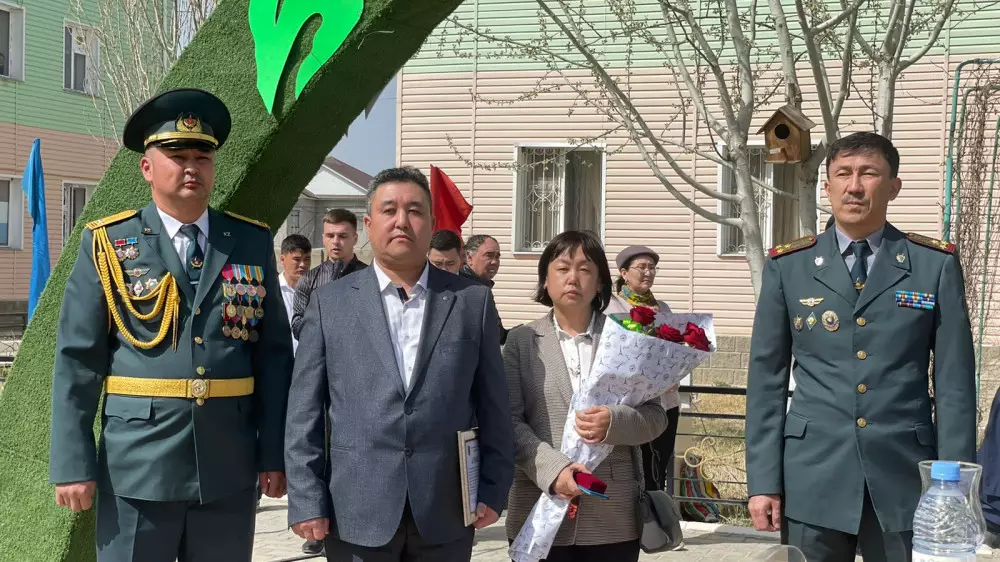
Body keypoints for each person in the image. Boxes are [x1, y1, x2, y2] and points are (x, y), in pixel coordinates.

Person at [48, 88, 293, 561]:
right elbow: (78, 360)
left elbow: (274, 358)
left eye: (202, 157)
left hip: (228, 464)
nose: (191, 167)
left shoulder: (249, 241)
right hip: (139, 464)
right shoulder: (108, 243)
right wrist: (73, 463)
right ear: (147, 167)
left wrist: (273, 454)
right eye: (177, 156)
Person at [745, 132, 977, 562]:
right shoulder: (789, 266)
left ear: (893, 187)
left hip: (904, 477)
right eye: (843, 174)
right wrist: (762, 482)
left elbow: (954, 384)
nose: (854, 186)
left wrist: (955, 485)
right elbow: (766, 382)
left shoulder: (933, 264)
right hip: (813, 475)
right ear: (827, 186)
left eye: (868, 173)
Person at [284, 166, 515, 561]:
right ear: (369, 224)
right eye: (389, 210)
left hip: (446, 510)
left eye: (415, 211)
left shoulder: (471, 302)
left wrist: (494, 489)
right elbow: (304, 410)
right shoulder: (330, 304)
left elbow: (494, 404)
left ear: (432, 224)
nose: (402, 221)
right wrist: (306, 497)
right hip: (355, 511)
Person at [504, 231, 668, 562]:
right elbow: (508, 421)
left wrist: (615, 422)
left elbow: (656, 417)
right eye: (563, 268)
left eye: (585, 269)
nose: (573, 278)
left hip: (613, 518)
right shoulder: (521, 341)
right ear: (546, 280)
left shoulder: (626, 339)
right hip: (540, 509)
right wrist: (555, 470)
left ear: (600, 283)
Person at [604, 245, 681, 495]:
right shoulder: (611, 307)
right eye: (642, 267)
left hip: (666, 401)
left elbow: (675, 350)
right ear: (624, 273)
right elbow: (614, 354)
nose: (648, 272)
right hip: (632, 404)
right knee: (633, 470)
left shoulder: (664, 308)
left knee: (658, 471)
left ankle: (655, 517)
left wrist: (675, 372)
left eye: (652, 268)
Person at [290, 208, 368, 339]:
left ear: (355, 239)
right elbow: (297, 327)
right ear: (323, 238)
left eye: (342, 236)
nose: (335, 241)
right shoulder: (309, 280)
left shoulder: (370, 278)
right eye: (330, 236)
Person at [279, 234, 312, 353]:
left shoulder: (317, 291)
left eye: (307, 259)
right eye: (297, 259)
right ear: (282, 260)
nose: (303, 265)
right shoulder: (271, 291)